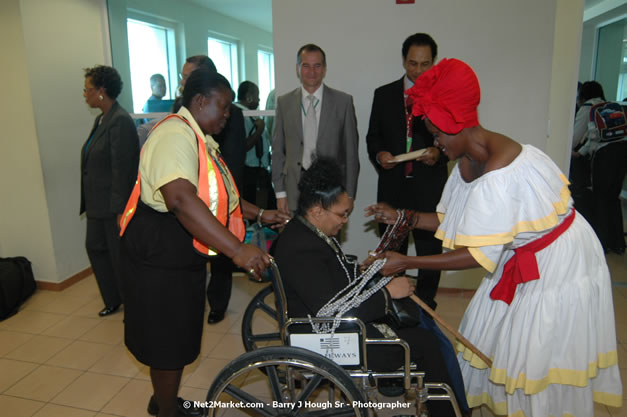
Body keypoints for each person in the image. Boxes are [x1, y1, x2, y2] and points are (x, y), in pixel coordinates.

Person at [366, 59, 622, 416]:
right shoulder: (468, 161)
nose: (434, 142)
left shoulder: (500, 173)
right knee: (496, 334)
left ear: (454, 123)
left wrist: (406, 261)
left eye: (436, 133)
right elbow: (451, 219)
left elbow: (476, 254)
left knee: (539, 352)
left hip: (560, 261)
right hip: (522, 255)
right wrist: (402, 217)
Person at [119, 68, 288, 417]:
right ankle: (167, 411)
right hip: (161, 246)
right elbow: (181, 199)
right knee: (168, 337)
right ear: (199, 101)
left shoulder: (197, 136)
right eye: (223, 107)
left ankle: (163, 400)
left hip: (178, 244)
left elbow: (217, 195)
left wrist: (258, 214)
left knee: (176, 331)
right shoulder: (173, 137)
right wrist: (238, 250)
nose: (228, 115)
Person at [273, 158, 468, 416]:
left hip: (336, 328)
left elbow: (333, 276)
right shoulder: (302, 248)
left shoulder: (308, 233)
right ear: (318, 211)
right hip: (329, 337)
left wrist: (370, 269)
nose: (345, 221)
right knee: (426, 343)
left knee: (414, 316)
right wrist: (387, 294)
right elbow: (331, 313)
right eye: (342, 214)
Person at [366, 33, 448, 307]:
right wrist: (380, 155)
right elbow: (373, 137)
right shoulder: (384, 94)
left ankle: (426, 305)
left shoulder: (444, 95)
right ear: (403, 60)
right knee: (392, 250)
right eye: (413, 63)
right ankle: (395, 303)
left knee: (430, 252)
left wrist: (439, 153)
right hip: (394, 187)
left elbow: (456, 136)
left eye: (425, 64)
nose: (418, 70)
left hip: (429, 189)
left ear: (434, 62)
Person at [80, 65, 139, 317]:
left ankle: (133, 308)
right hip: (96, 204)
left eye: (88, 89)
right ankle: (112, 299)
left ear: (102, 91)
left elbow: (122, 170)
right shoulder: (101, 119)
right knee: (95, 249)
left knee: (119, 259)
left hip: (113, 206)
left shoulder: (120, 121)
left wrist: (120, 211)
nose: (85, 94)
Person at [272, 44, 359, 214]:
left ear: (324, 69)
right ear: (298, 69)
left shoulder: (343, 103)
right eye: (306, 66)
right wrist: (280, 193)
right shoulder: (284, 103)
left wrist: (349, 194)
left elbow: (351, 154)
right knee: (297, 240)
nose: (312, 72)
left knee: (328, 241)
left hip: (331, 191)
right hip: (293, 190)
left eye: (317, 66)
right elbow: (277, 152)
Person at [573, 81, 626, 255]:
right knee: (613, 197)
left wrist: (576, 151)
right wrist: (582, 151)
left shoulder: (587, 108)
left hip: (604, 157)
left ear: (583, 94)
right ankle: (617, 243)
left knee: (600, 198)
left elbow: (576, 137)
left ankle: (600, 243)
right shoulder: (610, 106)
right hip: (622, 153)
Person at [235, 81, 275, 208]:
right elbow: (244, 146)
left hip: (256, 169)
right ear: (249, 97)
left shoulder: (250, 115)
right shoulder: (240, 116)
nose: (259, 100)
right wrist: (259, 130)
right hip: (248, 171)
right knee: (253, 203)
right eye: (257, 96)